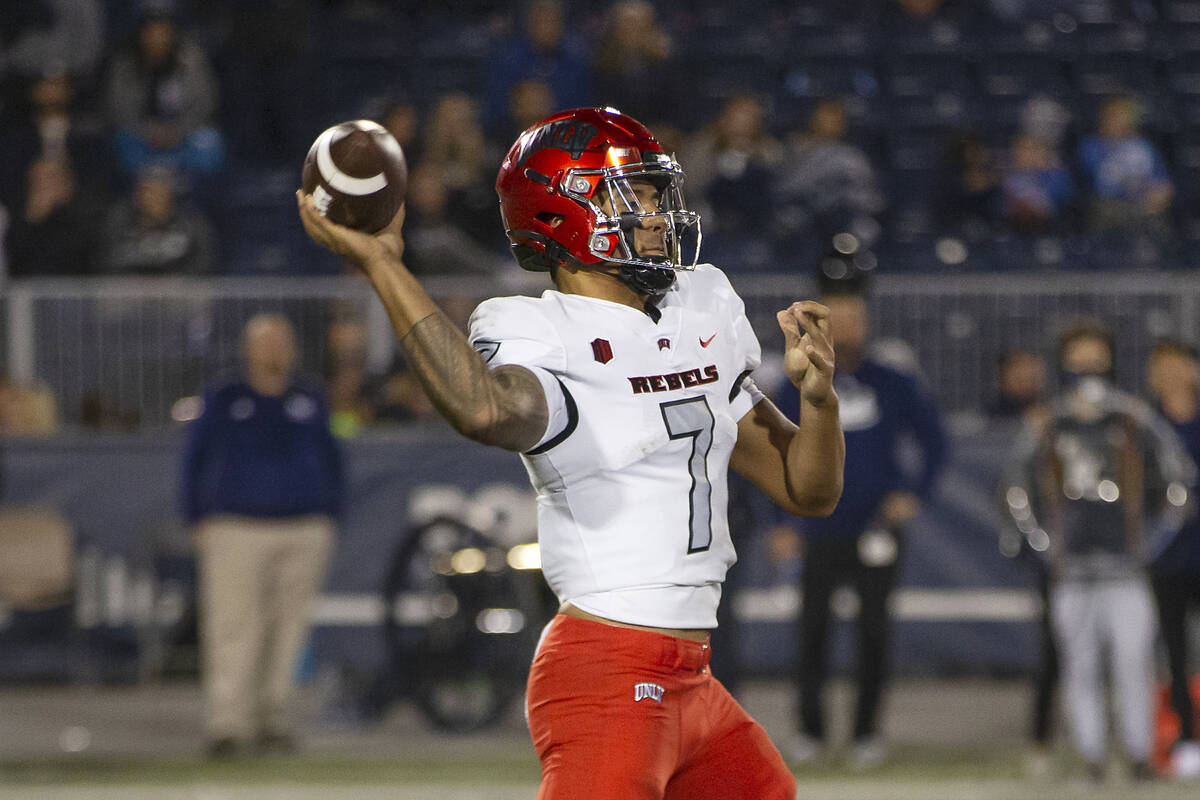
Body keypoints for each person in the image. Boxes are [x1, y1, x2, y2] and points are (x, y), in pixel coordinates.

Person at [298, 106, 845, 799]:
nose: (658, 214)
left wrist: (820, 400)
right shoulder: (543, 331)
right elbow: (486, 407)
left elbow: (810, 489)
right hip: (608, 671)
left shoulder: (697, 309)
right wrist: (384, 265)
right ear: (566, 211)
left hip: (692, 678)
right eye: (636, 196)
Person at [1002, 320, 1195, 782]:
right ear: (1063, 365)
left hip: (1126, 571)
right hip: (1071, 571)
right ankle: (1091, 756)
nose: (1087, 370)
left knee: (1135, 664)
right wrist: (1043, 547)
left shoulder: (1133, 419)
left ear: (1109, 361)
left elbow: (1179, 483)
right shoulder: (1048, 423)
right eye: (1077, 361)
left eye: (1096, 360)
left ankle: (1139, 753)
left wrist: (1150, 546)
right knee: (1079, 666)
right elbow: (1015, 488)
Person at [771, 274, 948, 769]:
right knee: (812, 633)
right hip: (817, 527)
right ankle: (810, 731)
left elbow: (935, 441)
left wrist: (912, 493)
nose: (846, 329)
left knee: (874, 634)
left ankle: (867, 733)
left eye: (854, 319)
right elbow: (770, 445)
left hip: (876, 529)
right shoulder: (798, 378)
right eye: (836, 320)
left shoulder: (892, 380)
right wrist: (782, 518)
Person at [181, 314, 343, 757]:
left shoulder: (310, 397)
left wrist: (329, 513)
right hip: (236, 527)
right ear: (247, 349)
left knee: (288, 630)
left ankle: (275, 720)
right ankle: (228, 724)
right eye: (264, 343)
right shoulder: (224, 397)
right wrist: (197, 516)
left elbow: (332, 456)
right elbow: (194, 460)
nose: (273, 352)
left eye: (280, 342)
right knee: (233, 625)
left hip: (303, 526)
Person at [1146, 338, 1200, 779]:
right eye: (1160, 366)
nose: (1169, 375)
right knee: (1174, 653)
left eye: (1176, 365)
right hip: (1166, 558)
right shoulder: (1142, 425)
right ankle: (1183, 736)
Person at [104, 9, 226, 179]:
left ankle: (196, 191)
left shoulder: (192, 59)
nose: (157, 40)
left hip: (184, 133)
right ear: (141, 35)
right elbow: (118, 108)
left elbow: (206, 102)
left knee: (210, 141)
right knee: (123, 142)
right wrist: (147, 131)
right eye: (151, 34)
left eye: (163, 34)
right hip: (141, 135)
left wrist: (179, 131)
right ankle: (142, 190)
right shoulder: (124, 64)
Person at [1077, 95, 1173, 237]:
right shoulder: (1091, 145)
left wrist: (1159, 194)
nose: (1117, 122)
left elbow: (1162, 182)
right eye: (1113, 116)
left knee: (1158, 225)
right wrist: (1114, 146)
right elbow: (1097, 181)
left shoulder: (1143, 147)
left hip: (1142, 205)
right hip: (1109, 205)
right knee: (1105, 211)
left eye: (1123, 117)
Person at [99, 166, 215, 275]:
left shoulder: (191, 221)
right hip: (126, 291)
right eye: (146, 192)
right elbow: (105, 260)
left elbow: (203, 263)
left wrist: (177, 282)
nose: (150, 199)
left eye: (158, 193)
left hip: (179, 291)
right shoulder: (119, 220)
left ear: (170, 196)